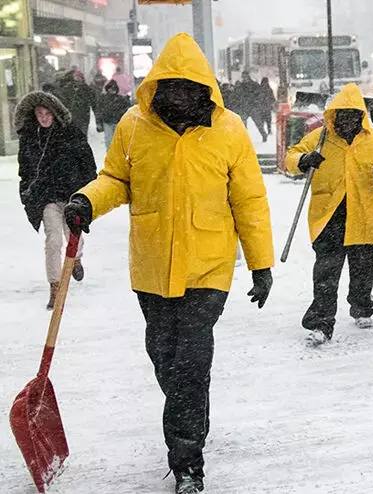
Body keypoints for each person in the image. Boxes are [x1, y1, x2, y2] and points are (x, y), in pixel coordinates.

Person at [63, 33, 274, 494]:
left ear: (203, 87)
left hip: (208, 266)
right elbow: (116, 179)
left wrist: (261, 265)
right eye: (169, 85)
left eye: (187, 86)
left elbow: (250, 201)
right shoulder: (134, 126)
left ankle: (187, 462)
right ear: (156, 85)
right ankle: (191, 415)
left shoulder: (230, 130)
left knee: (189, 360)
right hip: (153, 266)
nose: (177, 95)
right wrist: (87, 200)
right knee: (164, 357)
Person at [285, 83, 373, 346]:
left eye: (352, 115)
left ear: (361, 116)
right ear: (333, 115)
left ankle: (361, 306)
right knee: (326, 273)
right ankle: (321, 322)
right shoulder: (320, 139)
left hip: (364, 215)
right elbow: (291, 157)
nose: (346, 120)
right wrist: (304, 160)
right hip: (330, 216)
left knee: (362, 269)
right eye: (341, 114)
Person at [15, 91, 97, 309]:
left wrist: (88, 191)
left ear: (54, 113)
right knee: (53, 240)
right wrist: (27, 192)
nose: (43, 117)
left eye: (47, 113)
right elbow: (25, 169)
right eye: (39, 113)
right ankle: (55, 286)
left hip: (73, 194)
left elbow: (87, 163)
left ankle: (76, 257)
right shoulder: (31, 138)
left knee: (73, 235)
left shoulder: (71, 134)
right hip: (47, 196)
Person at [55, 70, 98, 136]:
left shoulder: (87, 90)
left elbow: (95, 105)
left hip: (83, 118)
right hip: (71, 118)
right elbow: (61, 104)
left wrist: (98, 121)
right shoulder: (66, 89)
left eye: (79, 77)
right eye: (76, 77)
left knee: (82, 138)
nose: (78, 80)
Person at [95, 80, 131, 150]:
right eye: (111, 88)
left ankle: (114, 154)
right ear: (108, 89)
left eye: (114, 88)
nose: (112, 90)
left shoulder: (119, 99)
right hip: (109, 122)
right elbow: (98, 111)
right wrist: (98, 122)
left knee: (115, 141)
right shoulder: (104, 99)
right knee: (110, 141)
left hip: (115, 121)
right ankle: (111, 155)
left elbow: (127, 108)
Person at [233, 70, 267, 141]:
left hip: (252, 106)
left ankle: (264, 134)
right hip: (244, 107)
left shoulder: (254, 85)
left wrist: (256, 102)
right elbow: (237, 95)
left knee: (258, 122)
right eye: (243, 77)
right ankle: (244, 138)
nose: (244, 78)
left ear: (248, 77)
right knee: (243, 124)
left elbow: (260, 94)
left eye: (245, 77)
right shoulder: (241, 85)